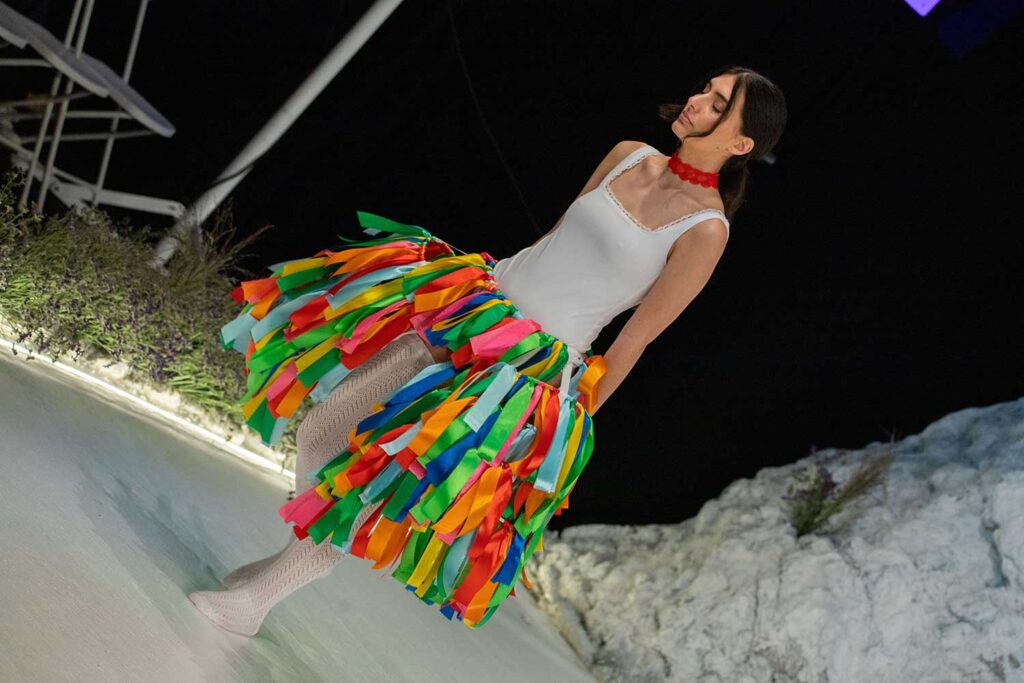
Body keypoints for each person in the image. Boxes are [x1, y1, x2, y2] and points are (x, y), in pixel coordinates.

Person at [188, 64, 787, 634]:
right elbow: (554, 239)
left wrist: (562, 429)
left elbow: (635, 339)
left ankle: (258, 600)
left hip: (518, 376)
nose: (696, 102)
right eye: (705, 90)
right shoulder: (629, 154)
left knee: (375, 482)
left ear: (742, 143)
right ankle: (284, 564)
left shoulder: (705, 231)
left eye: (718, 104)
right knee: (324, 425)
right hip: (474, 310)